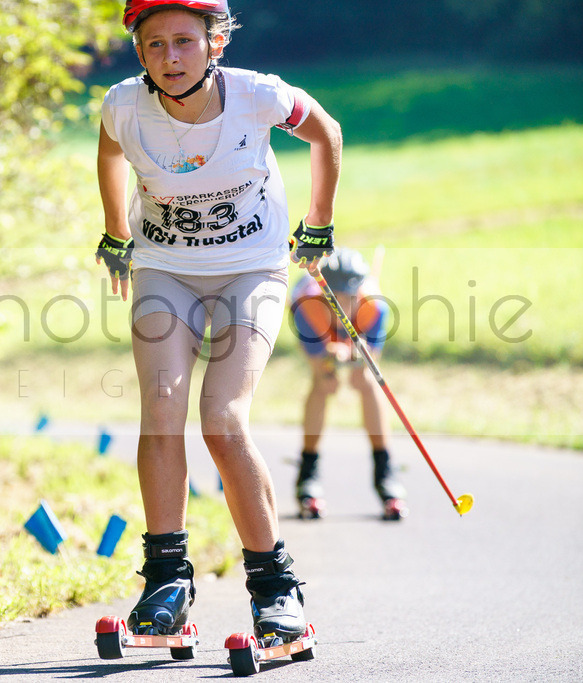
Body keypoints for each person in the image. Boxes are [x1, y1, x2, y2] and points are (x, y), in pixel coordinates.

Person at [94, 0, 342, 644]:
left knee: (223, 420)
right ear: (139, 52)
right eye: (154, 44)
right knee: (162, 409)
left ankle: (275, 587)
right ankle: (166, 581)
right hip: (165, 270)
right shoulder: (124, 104)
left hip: (251, 270)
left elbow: (327, 133)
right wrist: (116, 230)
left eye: (184, 41)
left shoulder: (259, 96)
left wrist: (318, 222)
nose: (170, 57)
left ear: (215, 43)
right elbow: (111, 152)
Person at [289, 247, 407, 519]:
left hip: (359, 330)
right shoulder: (306, 306)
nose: (343, 304)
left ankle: (385, 471)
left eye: (350, 297)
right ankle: (308, 472)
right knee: (324, 383)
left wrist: (357, 354)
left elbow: (370, 361)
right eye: (336, 298)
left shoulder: (374, 307)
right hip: (318, 327)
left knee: (364, 381)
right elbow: (319, 364)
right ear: (324, 293)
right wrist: (330, 357)